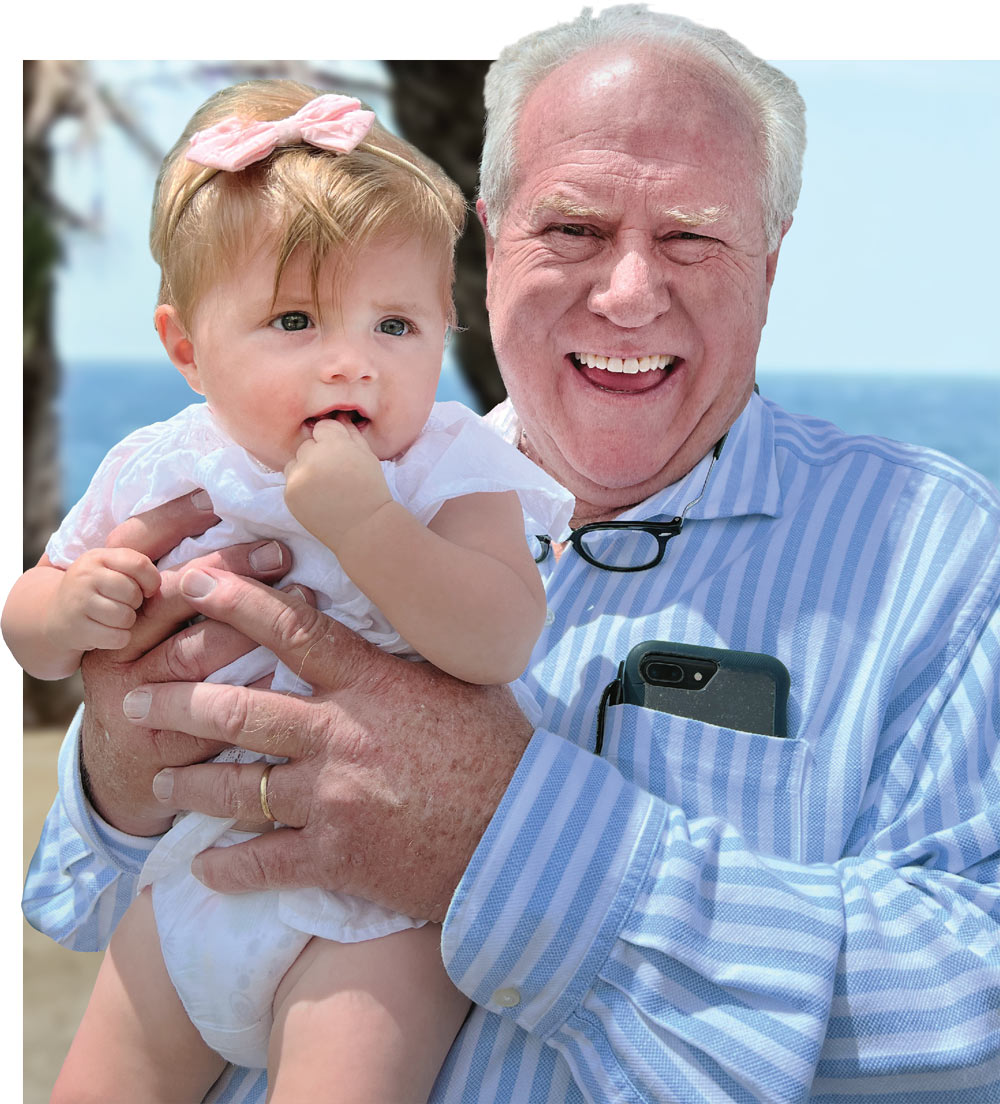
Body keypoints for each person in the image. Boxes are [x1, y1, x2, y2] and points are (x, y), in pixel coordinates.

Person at [23, 7, 1000, 1103]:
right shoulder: (259, 478)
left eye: (690, 235)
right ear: (485, 250)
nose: (628, 292)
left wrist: (515, 847)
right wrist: (119, 759)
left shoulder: (941, 553)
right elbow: (76, 894)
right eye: (572, 230)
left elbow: (974, 992)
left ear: (768, 265)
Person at [10, 79, 574, 1103]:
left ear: (444, 326)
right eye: (297, 320)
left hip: (373, 915)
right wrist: (69, 609)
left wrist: (368, 527)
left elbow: (498, 640)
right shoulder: (163, 467)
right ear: (187, 349)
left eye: (394, 325)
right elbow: (30, 627)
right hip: (190, 878)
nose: (350, 362)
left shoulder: (447, 470)